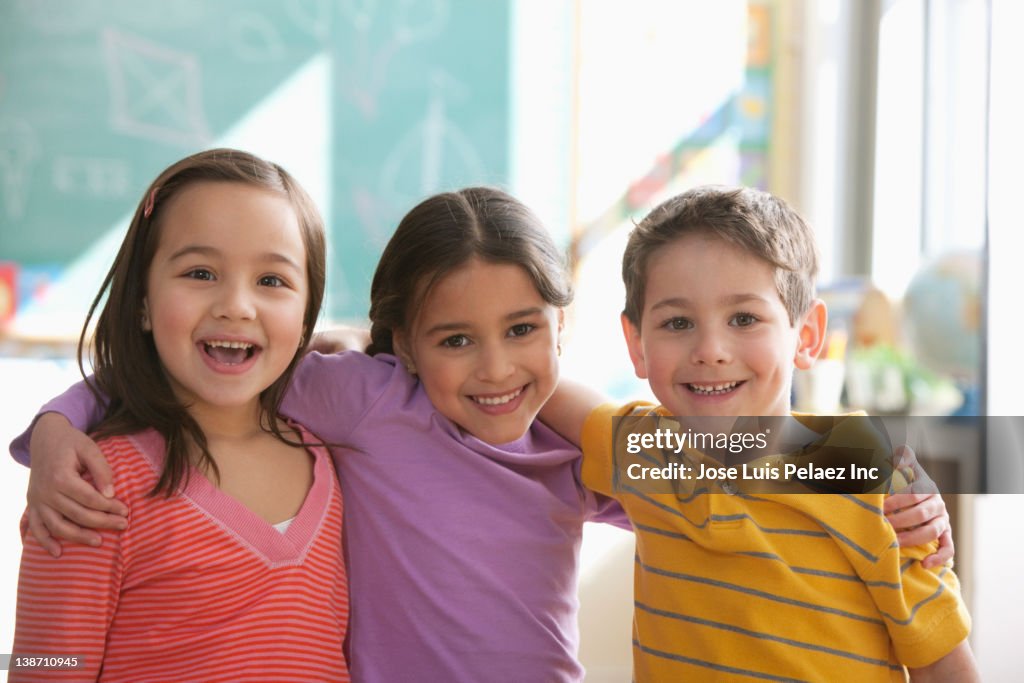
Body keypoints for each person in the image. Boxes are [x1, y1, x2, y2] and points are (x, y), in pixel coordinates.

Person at [10, 187, 952, 682]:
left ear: (563, 329)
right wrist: (60, 422)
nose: (496, 370)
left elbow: (749, 451)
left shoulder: (579, 443)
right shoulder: (370, 401)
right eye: (456, 339)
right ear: (406, 344)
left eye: (522, 332)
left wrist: (900, 472)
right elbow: (221, 357)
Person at [543, 185, 978, 681]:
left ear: (807, 335)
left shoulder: (878, 482)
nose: (711, 349)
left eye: (744, 318)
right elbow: (539, 383)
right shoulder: (648, 449)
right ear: (636, 344)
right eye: (678, 322)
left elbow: (944, 667)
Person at [9, 149, 350, 682]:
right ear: (142, 301)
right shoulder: (90, 486)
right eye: (200, 272)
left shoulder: (332, 460)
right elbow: (43, 665)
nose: (236, 305)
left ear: (307, 314)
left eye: (271, 281)